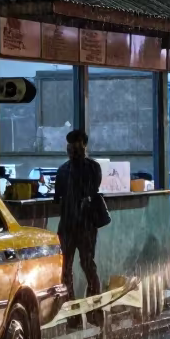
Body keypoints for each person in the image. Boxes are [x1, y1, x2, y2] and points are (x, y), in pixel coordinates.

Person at [54, 128, 103, 298]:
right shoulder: (94, 168)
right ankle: (93, 307)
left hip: (70, 225)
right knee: (87, 264)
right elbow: (92, 189)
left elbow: (57, 197)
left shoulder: (63, 170)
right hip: (85, 226)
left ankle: (72, 310)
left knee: (66, 268)